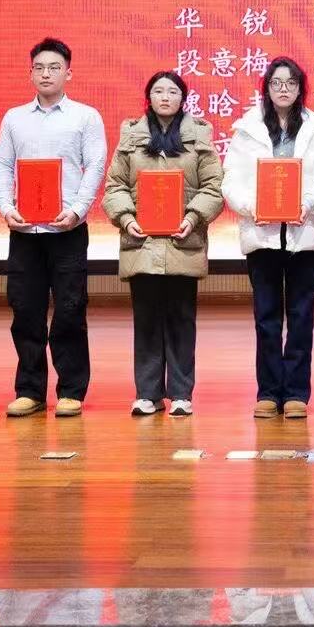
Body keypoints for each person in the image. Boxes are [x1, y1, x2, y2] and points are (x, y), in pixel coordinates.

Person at [0, 37, 108, 419]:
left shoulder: (85, 117)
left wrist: (77, 210)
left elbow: (95, 165)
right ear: (30, 73)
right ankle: (30, 390)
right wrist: (6, 207)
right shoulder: (14, 118)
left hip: (67, 230)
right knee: (25, 310)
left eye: (54, 67)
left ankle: (71, 390)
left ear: (68, 73)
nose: (46, 74)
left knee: (70, 311)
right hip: (25, 232)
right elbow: (2, 164)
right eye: (39, 68)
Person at [221, 57, 314, 420]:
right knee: (266, 317)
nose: (283, 89)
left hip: (305, 234)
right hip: (263, 234)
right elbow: (231, 181)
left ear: (301, 88)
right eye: (276, 83)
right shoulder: (247, 129)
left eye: (290, 83)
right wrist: (251, 206)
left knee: (301, 316)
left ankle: (297, 393)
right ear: (267, 88)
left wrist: (309, 203)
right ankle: (269, 392)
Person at [102, 71, 225, 417]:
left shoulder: (199, 136)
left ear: (183, 98)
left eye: (172, 91)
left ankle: (182, 394)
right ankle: (148, 394)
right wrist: (126, 218)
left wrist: (193, 217)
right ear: (149, 97)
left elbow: (214, 186)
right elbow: (115, 186)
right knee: (146, 320)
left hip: (183, 242)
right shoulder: (131, 136)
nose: (165, 97)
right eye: (158, 91)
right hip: (141, 243)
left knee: (182, 320)